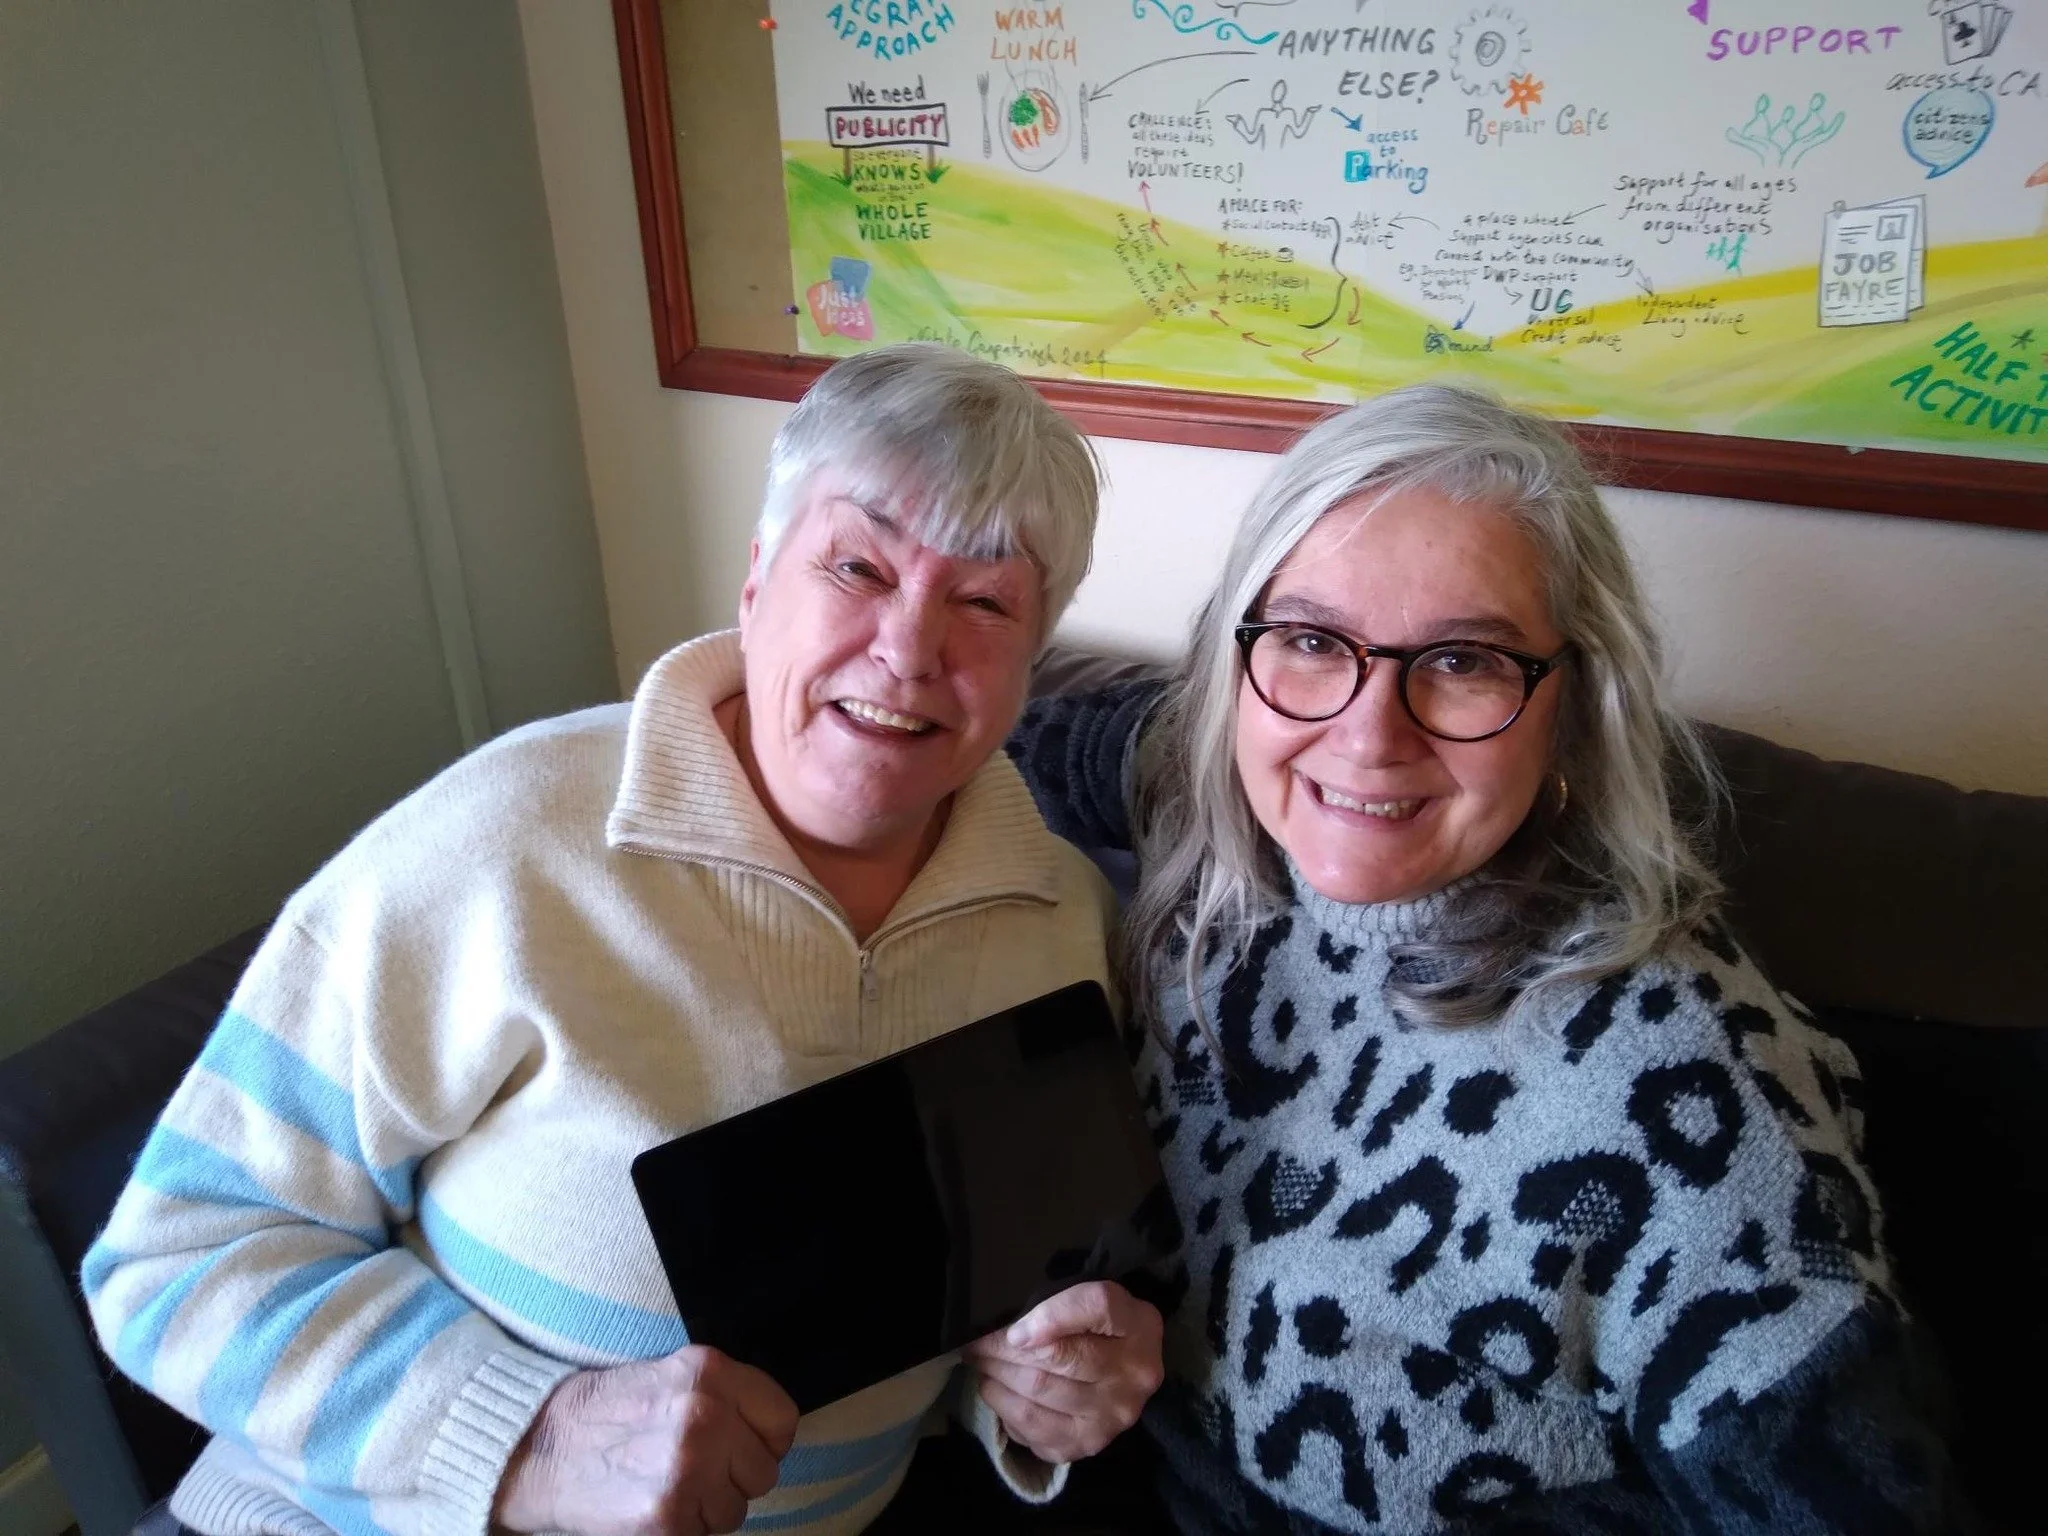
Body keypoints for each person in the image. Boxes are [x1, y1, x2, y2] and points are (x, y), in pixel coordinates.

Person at [84, 343, 1165, 1536]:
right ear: (756, 581)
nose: (908, 650)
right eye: (855, 565)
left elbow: (939, 1304)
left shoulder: (1063, 927)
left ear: (1030, 660)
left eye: (983, 601)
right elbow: (172, 1257)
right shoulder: (502, 841)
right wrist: (530, 1437)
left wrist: (1029, 1392)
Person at [1007, 385, 1973, 1533]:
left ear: (1573, 709)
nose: (1368, 735)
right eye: (1314, 640)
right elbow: (962, 731)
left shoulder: (1678, 1091)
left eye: (1463, 662)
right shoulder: (1215, 790)